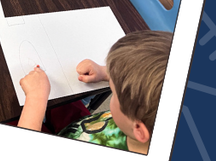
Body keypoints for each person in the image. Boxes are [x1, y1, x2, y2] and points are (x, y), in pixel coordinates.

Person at [18, 30, 172, 154]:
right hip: (82, 128)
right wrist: (107, 73)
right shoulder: (147, 116)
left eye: (114, 92)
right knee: (62, 97)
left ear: (139, 129)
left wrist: (35, 98)